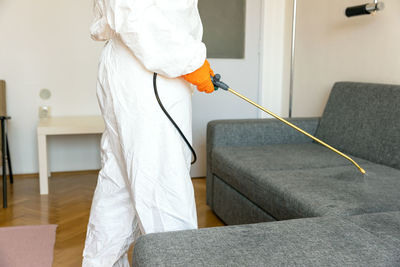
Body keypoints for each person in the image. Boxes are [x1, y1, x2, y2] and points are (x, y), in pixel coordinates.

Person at [83, 0, 215, 266]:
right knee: (164, 191)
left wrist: (188, 59)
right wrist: (190, 60)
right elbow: (134, 11)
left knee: (118, 185)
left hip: (134, 65)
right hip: (149, 71)